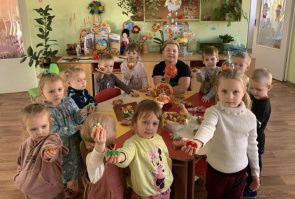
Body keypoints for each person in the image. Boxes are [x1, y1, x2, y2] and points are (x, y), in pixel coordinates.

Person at [182, 69, 260, 199]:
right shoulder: (213, 112)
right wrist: (198, 141)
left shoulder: (250, 118)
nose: (230, 97)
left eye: (235, 92)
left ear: (244, 92)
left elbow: (252, 147)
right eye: (224, 91)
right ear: (217, 91)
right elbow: (207, 127)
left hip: (240, 174)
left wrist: (255, 173)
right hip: (216, 173)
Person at [107, 100, 173, 198]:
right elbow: (126, 154)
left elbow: (166, 159)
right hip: (144, 195)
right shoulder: (132, 143)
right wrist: (119, 156)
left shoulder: (159, 138)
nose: (150, 127)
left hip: (165, 191)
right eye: (145, 122)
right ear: (135, 122)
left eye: (154, 124)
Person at [39, 73, 88, 198]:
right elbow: (53, 130)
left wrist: (82, 113)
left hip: (76, 139)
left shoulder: (69, 100)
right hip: (61, 145)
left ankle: (76, 181)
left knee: (78, 160)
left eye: (59, 89)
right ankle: (64, 187)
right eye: (51, 91)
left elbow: (76, 117)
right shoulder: (45, 111)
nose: (56, 94)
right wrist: (74, 128)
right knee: (64, 165)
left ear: (64, 89)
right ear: (42, 93)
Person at [14, 103, 68, 199]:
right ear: (25, 128)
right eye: (33, 129)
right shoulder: (25, 145)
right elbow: (20, 163)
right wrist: (19, 176)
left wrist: (49, 153)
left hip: (50, 191)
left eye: (43, 126)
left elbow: (50, 146)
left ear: (50, 123)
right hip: (29, 191)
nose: (39, 132)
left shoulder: (52, 139)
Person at [80, 112, 126, 199]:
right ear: (101, 135)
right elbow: (96, 159)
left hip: (116, 189)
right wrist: (100, 144)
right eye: (114, 129)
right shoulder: (91, 156)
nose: (116, 131)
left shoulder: (110, 148)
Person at [244, 68, 272, 198]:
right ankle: (246, 181)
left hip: (256, 140)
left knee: (254, 162)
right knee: (246, 162)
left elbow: (256, 126)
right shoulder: (254, 96)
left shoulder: (264, 105)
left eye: (258, 89)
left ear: (268, 88)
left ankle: (253, 186)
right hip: (247, 137)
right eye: (252, 88)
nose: (254, 92)